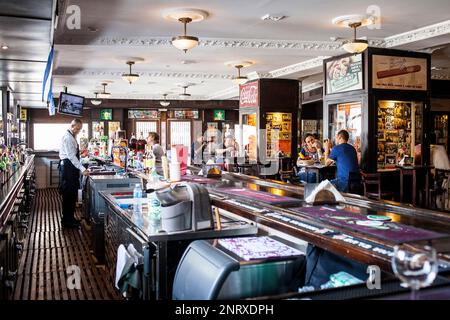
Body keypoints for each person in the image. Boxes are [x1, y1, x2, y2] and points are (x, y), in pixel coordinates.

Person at [58, 119, 89, 228]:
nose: (78, 131)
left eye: (80, 129)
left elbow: (72, 153)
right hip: (68, 167)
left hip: (69, 167)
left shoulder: (71, 136)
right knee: (69, 194)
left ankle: (69, 218)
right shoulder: (67, 137)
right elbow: (71, 156)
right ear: (72, 126)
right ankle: (67, 221)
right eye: (77, 128)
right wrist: (82, 169)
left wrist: (81, 153)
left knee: (71, 195)